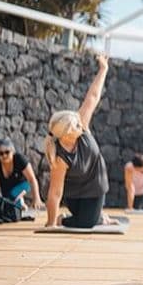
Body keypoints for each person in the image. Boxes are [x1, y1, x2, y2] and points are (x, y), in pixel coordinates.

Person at [43, 54, 114, 228]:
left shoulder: (82, 125)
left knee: (87, 223)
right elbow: (55, 192)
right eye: (75, 125)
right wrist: (51, 223)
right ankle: (92, 217)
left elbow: (93, 97)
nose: (79, 125)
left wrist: (103, 68)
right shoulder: (60, 157)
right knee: (83, 221)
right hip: (73, 194)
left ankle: (96, 217)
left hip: (95, 186)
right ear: (66, 134)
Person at [0, 138, 43, 211]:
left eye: (7, 152)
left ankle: (19, 202)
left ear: (12, 151)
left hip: (24, 184)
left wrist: (36, 198)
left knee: (12, 195)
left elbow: (32, 179)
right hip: (7, 189)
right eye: (0, 153)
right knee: (7, 203)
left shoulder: (20, 159)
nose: (4, 155)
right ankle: (20, 204)